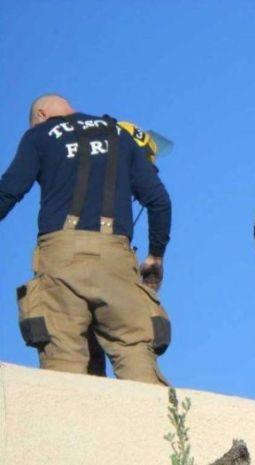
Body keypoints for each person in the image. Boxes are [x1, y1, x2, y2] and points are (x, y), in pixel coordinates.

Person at [0, 94, 172, 384]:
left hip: (61, 255)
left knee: (63, 358)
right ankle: (156, 427)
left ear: (41, 114)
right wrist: (156, 254)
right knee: (134, 351)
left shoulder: (38, 136)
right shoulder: (121, 134)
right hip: (115, 256)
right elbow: (159, 201)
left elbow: (8, 192)